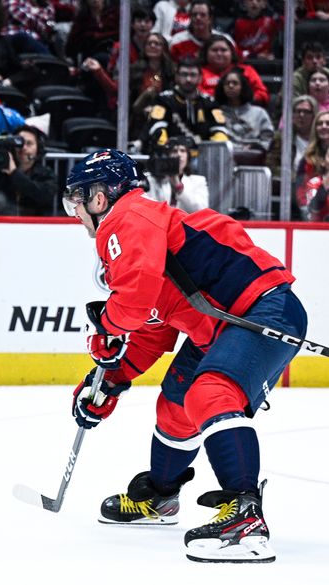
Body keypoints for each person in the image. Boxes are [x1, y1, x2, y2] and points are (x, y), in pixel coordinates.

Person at [61, 149, 307, 563]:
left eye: (77, 201)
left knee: (208, 393)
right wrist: (108, 381)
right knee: (176, 405)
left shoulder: (127, 219)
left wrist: (106, 324)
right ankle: (161, 497)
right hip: (225, 326)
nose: (77, 213)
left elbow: (133, 304)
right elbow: (151, 331)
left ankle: (245, 518)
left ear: (99, 198)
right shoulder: (148, 239)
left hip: (261, 311)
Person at [140, 57, 229, 156]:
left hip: (202, 156)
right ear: (176, 77)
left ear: (200, 78)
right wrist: (167, 150)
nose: (188, 79)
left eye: (193, 75)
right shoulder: (163, 99)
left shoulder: (209, 102)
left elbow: (220, 130)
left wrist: (212, 152)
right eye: (184, 74)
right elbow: (157, 127)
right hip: (172, 154)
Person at [0, 124, 57, 215]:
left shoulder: (46, 174)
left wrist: (14, 173)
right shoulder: (0, 172)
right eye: (19, 143)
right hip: (1, 226)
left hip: (35, 226)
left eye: (29, 144)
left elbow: (42, 195)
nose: (23, 148)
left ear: (38, 148)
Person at [213, 68, 273, 161]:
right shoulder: (216, 112)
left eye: (235, 83)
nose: (231, 86)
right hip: (222, 159)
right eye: (227, 83)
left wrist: (257, 147)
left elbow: (267, 139)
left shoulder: (259, 113)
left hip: (253, 158)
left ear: (243, 86)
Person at [197, 35, 268, 106]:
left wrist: (242, 99)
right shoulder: (198, 72)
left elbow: (262, 94)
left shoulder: (246, 70)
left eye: (223, 50)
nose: (219, 53)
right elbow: (196, 94)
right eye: (214, 50)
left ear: (232, 53)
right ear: (206, 53)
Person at [143, 137, 209, 212]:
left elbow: (202, 210)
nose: (178, 154)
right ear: (167, 155)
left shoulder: (198, 181)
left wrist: (179, 187)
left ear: (188, 156)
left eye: (182, 151)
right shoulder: (155, 179)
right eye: (174, 151)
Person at [266, 95, 316, 178]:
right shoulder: (282, 137)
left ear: (314, 115)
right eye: (298, 111)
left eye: (306, 112)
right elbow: (272, 166)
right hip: (290, 184)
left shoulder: (321, 137)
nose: (301, 115)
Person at [169, 0, 234, 63]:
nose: (198, 18)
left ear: (210, 18)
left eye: (203, 15)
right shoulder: (177, 41)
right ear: (190, 18)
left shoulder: (226, 40)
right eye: (194, 15)